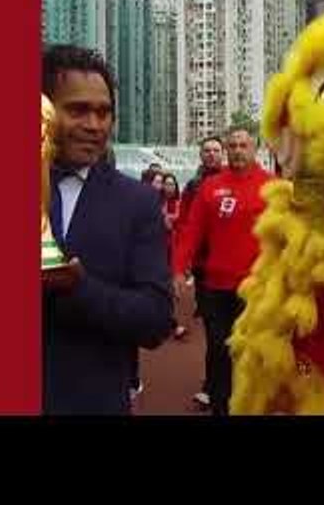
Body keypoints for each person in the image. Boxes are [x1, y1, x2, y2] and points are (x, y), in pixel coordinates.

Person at [42, 44, 174, 415]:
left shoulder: (136, 203)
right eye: (78, 110)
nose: (94, 125)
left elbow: (156, 319)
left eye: (104, 113)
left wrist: (80, 289)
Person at [173, 129, 273, 416]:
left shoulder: (272, 186)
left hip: (256, 288)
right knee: (218, 350)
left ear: (255, 148)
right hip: (216, 287)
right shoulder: (210, 187)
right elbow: (192, 231)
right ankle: (220, 405)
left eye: (244, 145)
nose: (238, 150)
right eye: (233, 146)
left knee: (251, 353)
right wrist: (178, 269)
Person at [174, 135, 225, 409]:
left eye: (216, 150)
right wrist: (180, 267)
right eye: (206, 150)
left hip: (239, 272)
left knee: (234, 334)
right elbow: (185, 226)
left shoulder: (236, 181)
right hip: (206, 271)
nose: (211, 154)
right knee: (215, 333)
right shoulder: (193, 186)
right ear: (200, 155)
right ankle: (212, 387)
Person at [161, 173, 188, 339]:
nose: (169, 187)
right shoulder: (156, 201)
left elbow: (178, 221)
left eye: (172, 184)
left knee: (168, 285)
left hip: (174, 246)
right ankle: (171, 323)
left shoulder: (178, 202)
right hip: (158, 247)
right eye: (167, 184)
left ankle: (170, 323)